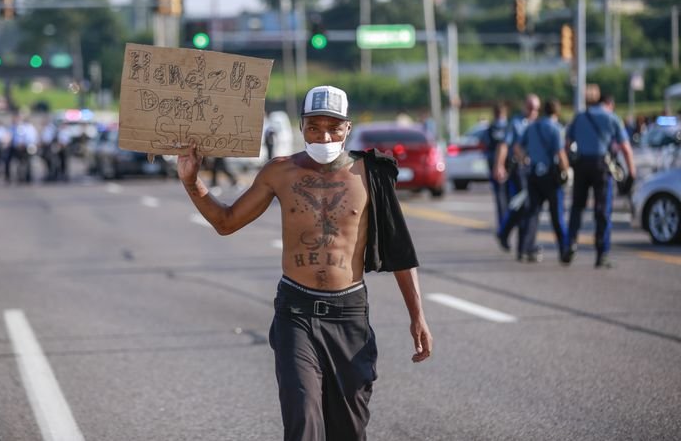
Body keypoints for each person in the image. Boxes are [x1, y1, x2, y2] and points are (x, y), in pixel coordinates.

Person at [176, 85, 432, 440]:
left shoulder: (371, 174)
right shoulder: (279, 172)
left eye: (332, 127)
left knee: (349, 431)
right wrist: (192, 183)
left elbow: (401, 251)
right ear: (301, 128)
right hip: (296, 313)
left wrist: (417, 316)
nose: (323, 135)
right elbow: (227, 222)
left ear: (347, 128)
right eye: (314, 127)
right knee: (303, 419)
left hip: (349, 315)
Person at [565, 85, 636, 268]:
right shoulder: (612, 118)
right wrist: (631, 173)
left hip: (581, 165)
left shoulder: (580, 117)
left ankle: (570, 243)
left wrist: (570, 163)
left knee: (577, 207)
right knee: (602, 211)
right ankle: (601, 253)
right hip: (602, 166)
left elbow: (567, 143)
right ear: (609, 104)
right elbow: (626, 149)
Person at [516, 99, 570, 263]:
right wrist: (566, 172)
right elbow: (560, 155)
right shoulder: (555, 128)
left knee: (532, 213)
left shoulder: (532, 127)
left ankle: (525, 248)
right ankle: (564, 249)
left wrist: (525, 160)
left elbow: (517, 148)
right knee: (557, 216)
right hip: (550, 176)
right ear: (556, 113)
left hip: (533, 174)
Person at [494, 94, 541, 262]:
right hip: (519, 170)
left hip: (534, 171)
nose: (533, 111)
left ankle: (524, 246)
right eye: (530, 107)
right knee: (524, 205)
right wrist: (499, 165)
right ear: (524, 106)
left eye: (536, 108)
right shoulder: (515, 123)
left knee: (529, 209)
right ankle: (508, 235)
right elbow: (505, 145)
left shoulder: (537, 124)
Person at [481, 102, 509, 232]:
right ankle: (508, 221)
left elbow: (485, 145)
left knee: (500, 195)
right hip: (508, 164)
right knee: (508, 194)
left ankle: (503, 222)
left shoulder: (490, 129)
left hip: (494, 164)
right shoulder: (508, 127)